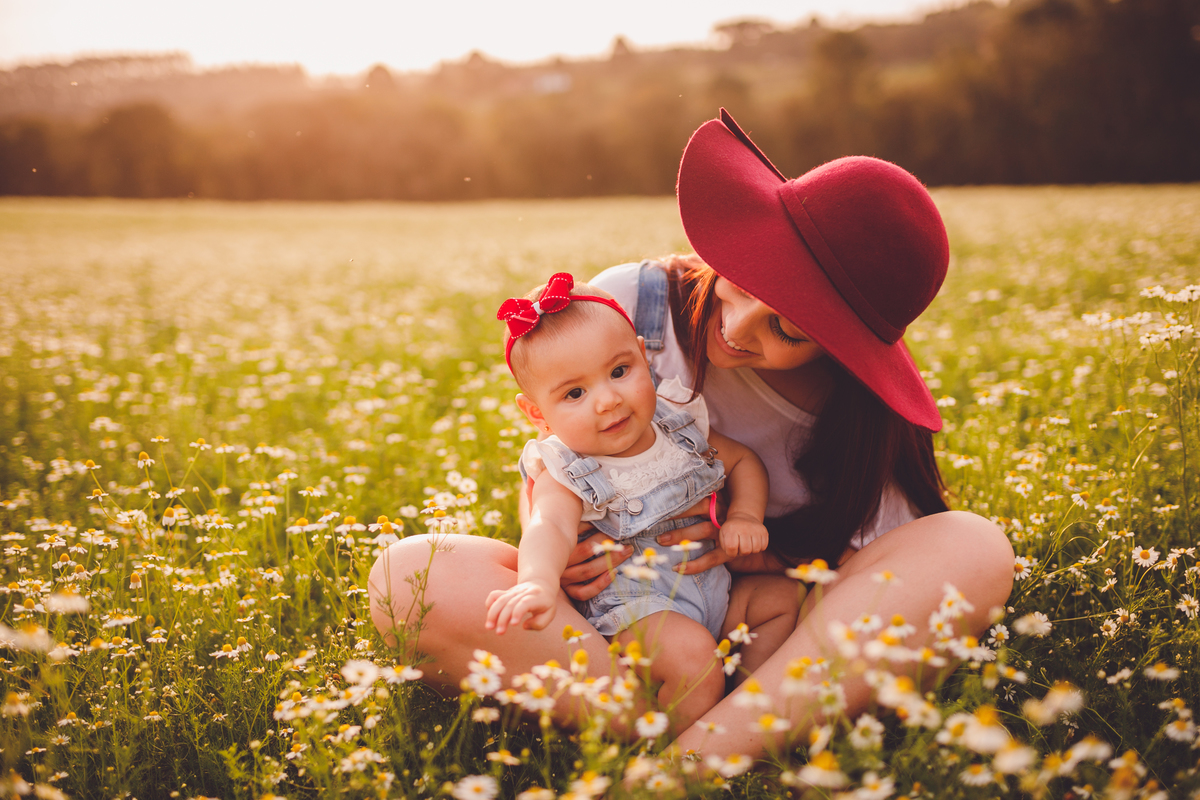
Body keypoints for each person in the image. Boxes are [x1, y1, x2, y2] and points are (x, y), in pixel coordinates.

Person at [368, 109, 1014, 759]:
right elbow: (554, 474)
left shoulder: (859, 424)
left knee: (974, 548)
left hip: (749, 614)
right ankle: (688, 730)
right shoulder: (632, 303)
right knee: (410, 575)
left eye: (788, 329)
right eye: (750, 280)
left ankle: (704, 748)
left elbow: (880, 575)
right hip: (620, 617)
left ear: (843, 348)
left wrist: (767, 549)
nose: (738, 327)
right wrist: (555, 561)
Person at [485, 272, 799, 734]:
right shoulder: (566, 467)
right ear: (537, 414)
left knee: (782, 598)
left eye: (619, 371)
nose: (608, 400)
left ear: (641, 355)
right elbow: (547, 526)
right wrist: (537, 581)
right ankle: (679, 754)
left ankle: (746, 703)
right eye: (575, 393)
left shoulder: (678, 421)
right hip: (638, 608)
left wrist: (746, 514)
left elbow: (742, 460)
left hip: (715, 590)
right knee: (693, 660)